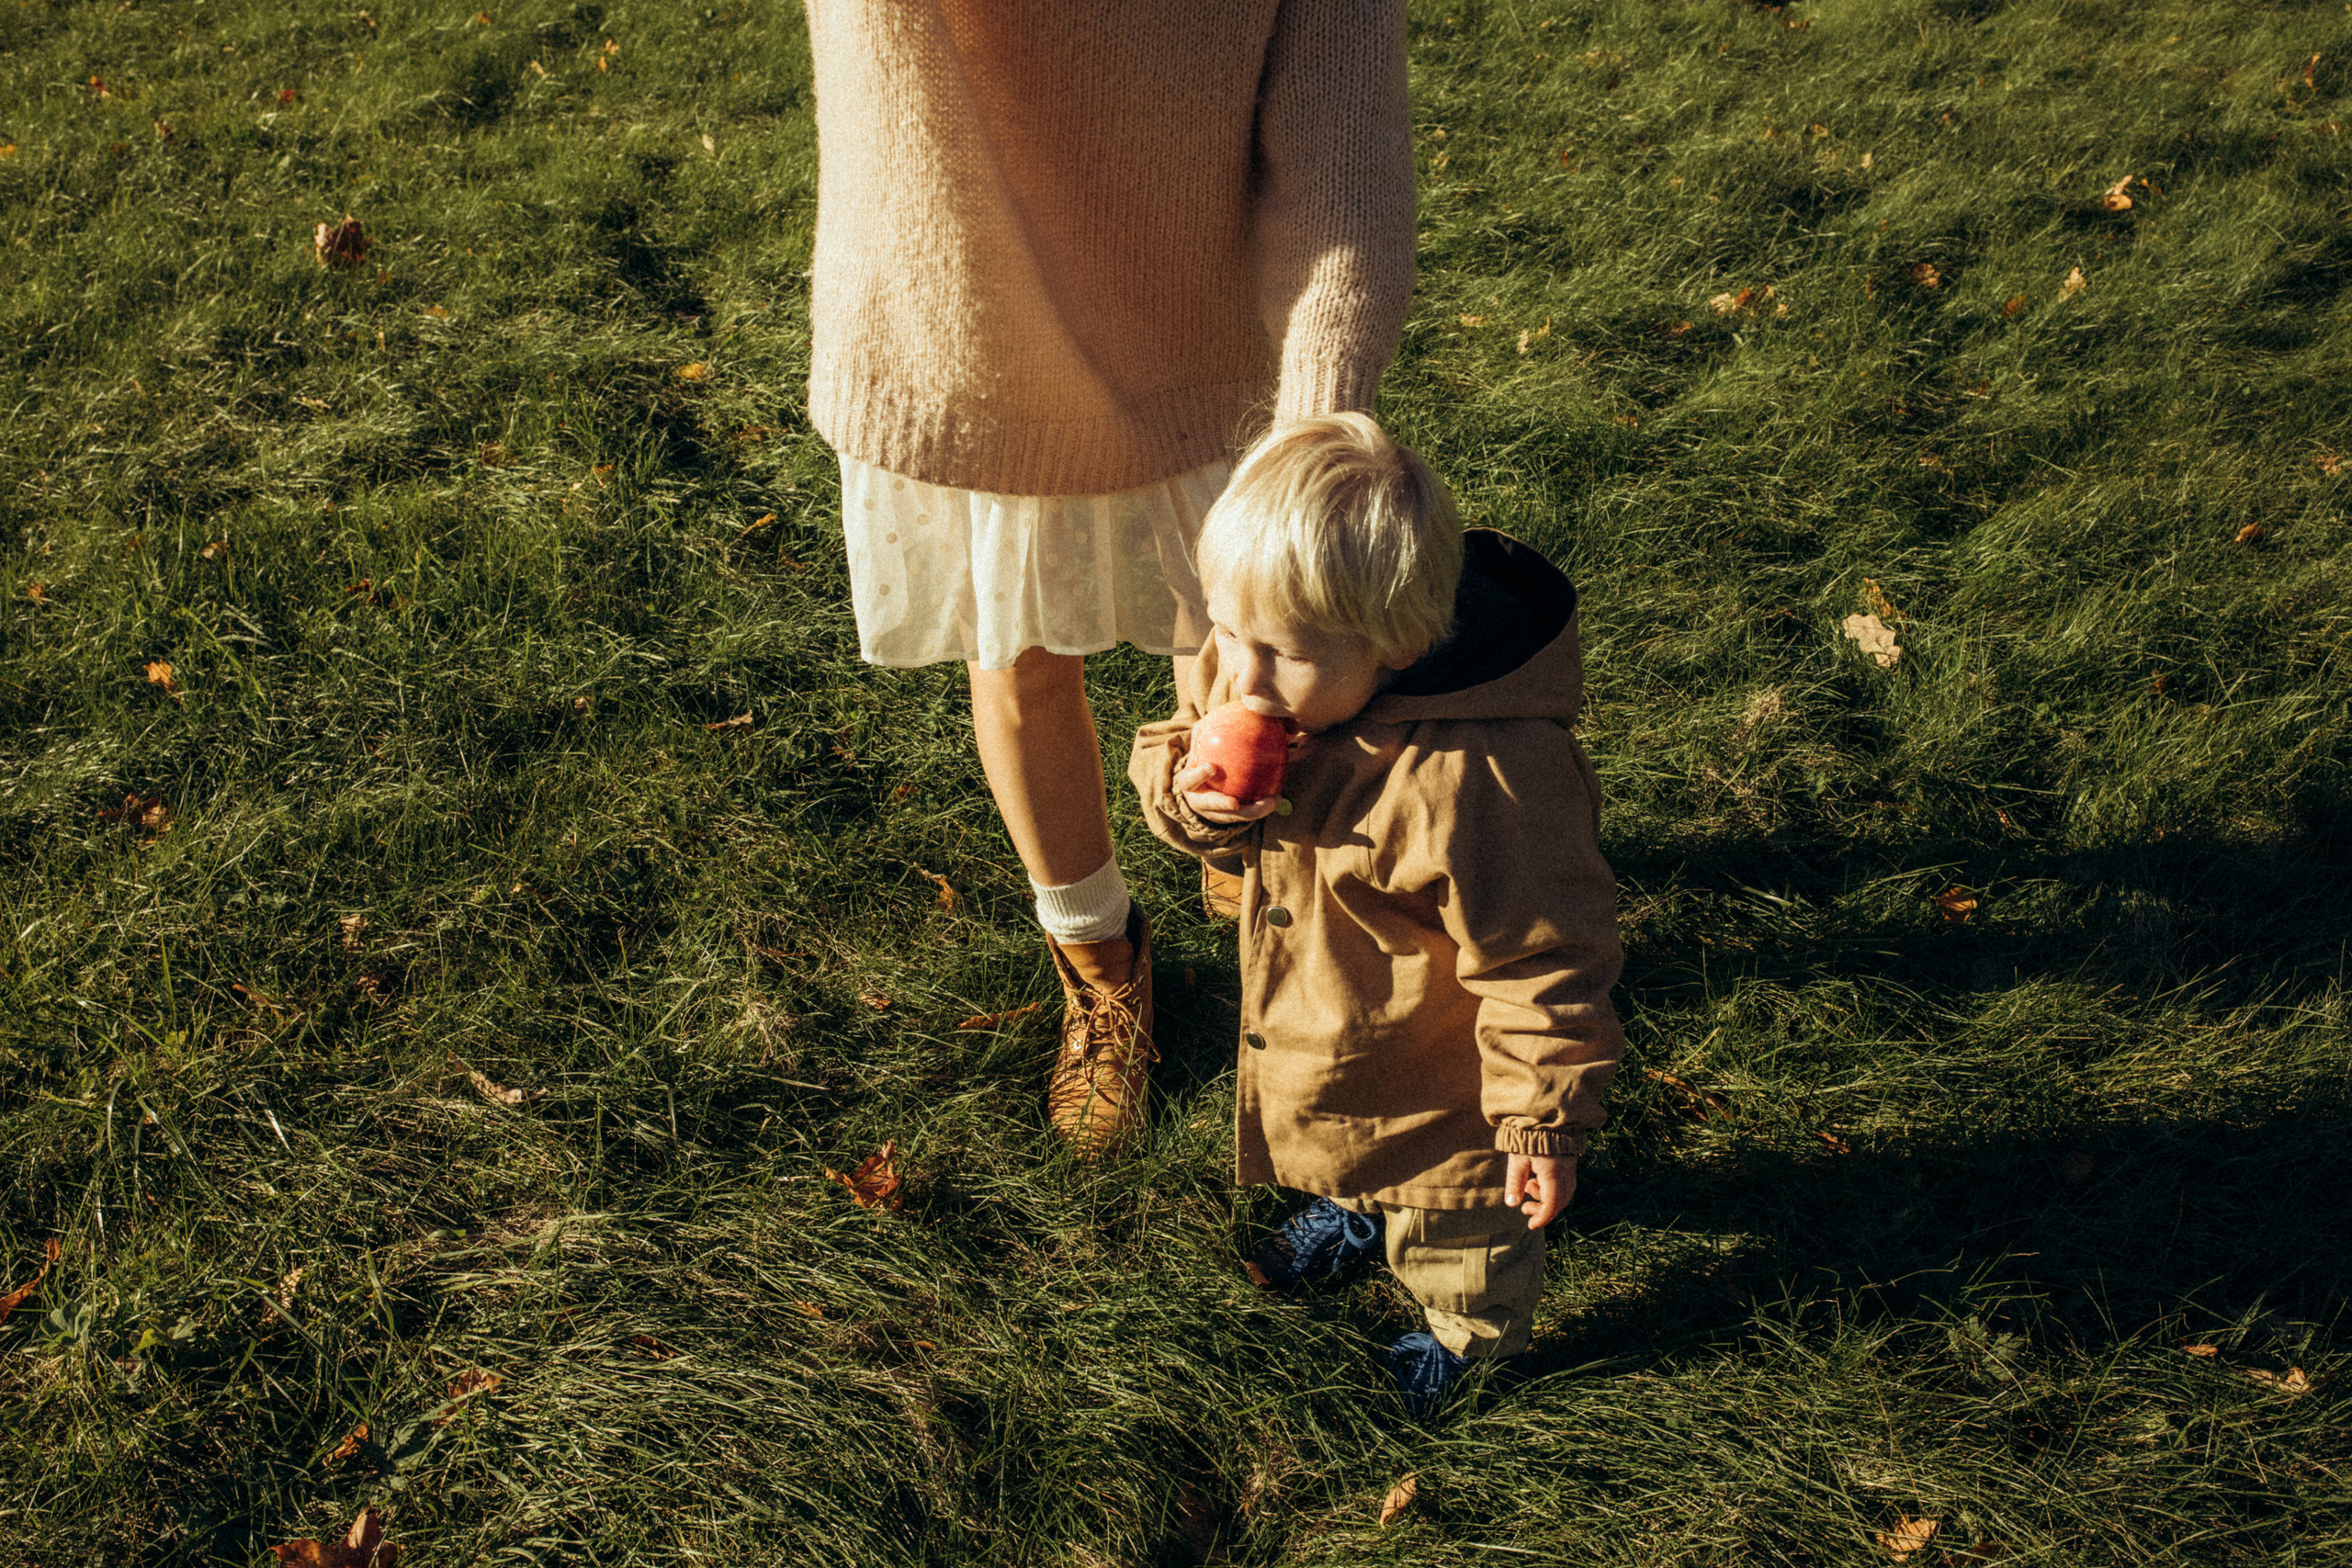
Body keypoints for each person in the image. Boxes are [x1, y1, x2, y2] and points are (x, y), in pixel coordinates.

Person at [799, 0, 1415, 1156]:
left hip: (1204, 334)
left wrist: (1309, 433)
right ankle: (1100, 966)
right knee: (1020, 656)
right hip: (960, 321)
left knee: (1235, 634)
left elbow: (1345, 166)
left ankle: (1235, 855)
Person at [1128, 414, 1625, 1414]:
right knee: (1346, 1145)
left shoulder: (1484, 779)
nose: (1242, 677)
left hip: (1444, 1094)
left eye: (1279, 651)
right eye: (1226, 632)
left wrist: (1538, 1123)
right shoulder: (1266, 670)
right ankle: (1357, 1204)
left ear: (1398, 643)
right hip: (1333, 1030)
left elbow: (1542, 962)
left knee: (1460, 1238)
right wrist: (1192, 794)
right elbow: (1174, 747)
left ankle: (1471, 1339)